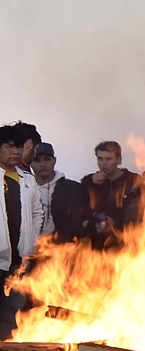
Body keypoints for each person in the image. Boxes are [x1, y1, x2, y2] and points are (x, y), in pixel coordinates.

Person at [0, 125, 37, 338]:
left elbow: (37, 212)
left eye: (19, 147)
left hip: (18, 259)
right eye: (9, 146)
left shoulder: (27, 180)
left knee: (11, 311)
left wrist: (30, 241)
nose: (15, 151)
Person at [81, 141, 141, 249]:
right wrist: (93, 185)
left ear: (119, 160)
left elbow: (137, 213)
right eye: (100, 159)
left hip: (126, 242)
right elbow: (83, 210)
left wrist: (115, 224)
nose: (103, 163)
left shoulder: (133, 181)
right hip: (97, 244)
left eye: (108, 159)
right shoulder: (90, 181)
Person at [28, 142, 91, 244]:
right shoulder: (25, 189)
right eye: (37, 160)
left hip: (65, 249)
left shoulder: (72, 188)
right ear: (30, 162)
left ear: (54, 160)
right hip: (32, 248)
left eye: (47, 159)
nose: (42, 164)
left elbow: (83, 218)